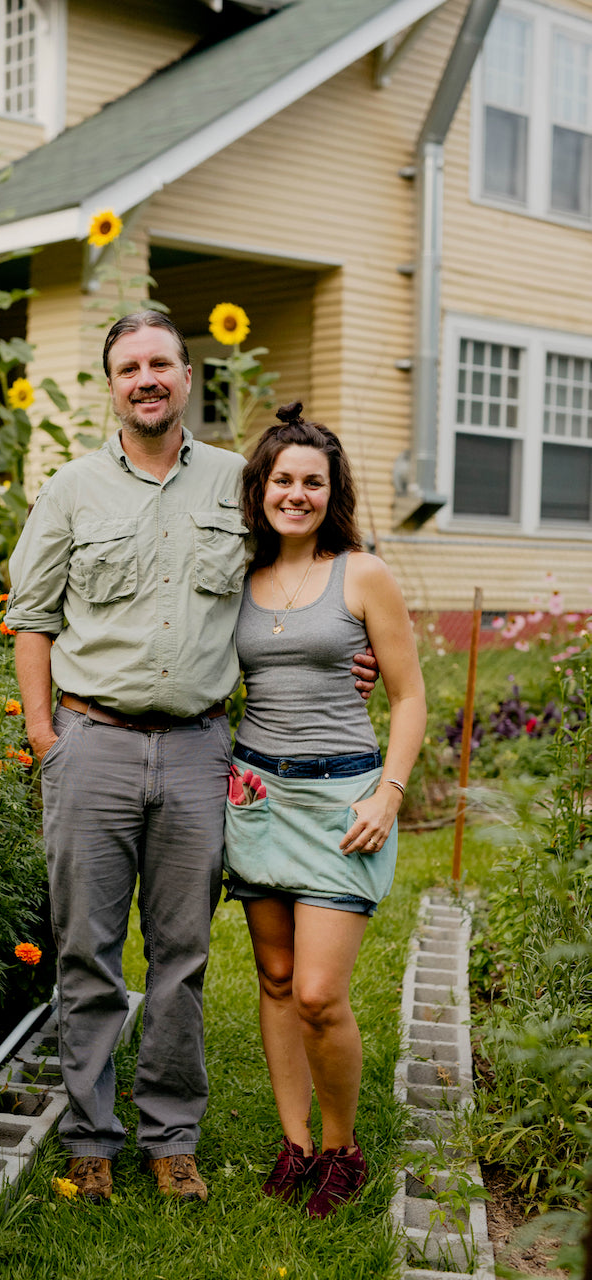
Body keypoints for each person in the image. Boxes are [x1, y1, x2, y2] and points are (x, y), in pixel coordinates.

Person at [5, 313, 377, 1205]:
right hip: (90, 744)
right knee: (86, 953)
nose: (146, 378)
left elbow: (305, 560)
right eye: (128, 366)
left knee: (182, 956)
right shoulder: (70, 490)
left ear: (184, 375)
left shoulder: (235, 483)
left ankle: (171, 1138)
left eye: (160, 363)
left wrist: (352, 642)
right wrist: (44, 737)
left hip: (200, 751)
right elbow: (31, 617)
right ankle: (90, 1139)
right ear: (111, 384)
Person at [223, 402, 426, 1218]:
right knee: (274, 980)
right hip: (256, 795)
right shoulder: (238, 578)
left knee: (316, 993)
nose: (296, 494)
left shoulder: (361, 573)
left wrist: (388, 793)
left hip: (343, 797)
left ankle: (343, 1150)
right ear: (260, 488)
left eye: (313, 482)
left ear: (331, 493)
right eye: (283, 480)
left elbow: (408, 696)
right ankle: (295, 1142)